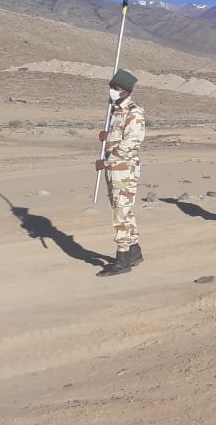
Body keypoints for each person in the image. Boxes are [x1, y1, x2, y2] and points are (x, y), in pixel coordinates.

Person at [95, 69, 146, 277]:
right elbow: (118, 138)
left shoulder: (134, 112)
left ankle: (122, 257)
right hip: (115, 169)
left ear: (124, 90)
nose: (112, 92)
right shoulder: (116, 111)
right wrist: (107, 137)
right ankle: (134, 250)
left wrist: (107, 162)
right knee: (124, 210)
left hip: (123, 170)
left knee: (120, 213)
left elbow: (130, 143)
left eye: (115, 89)